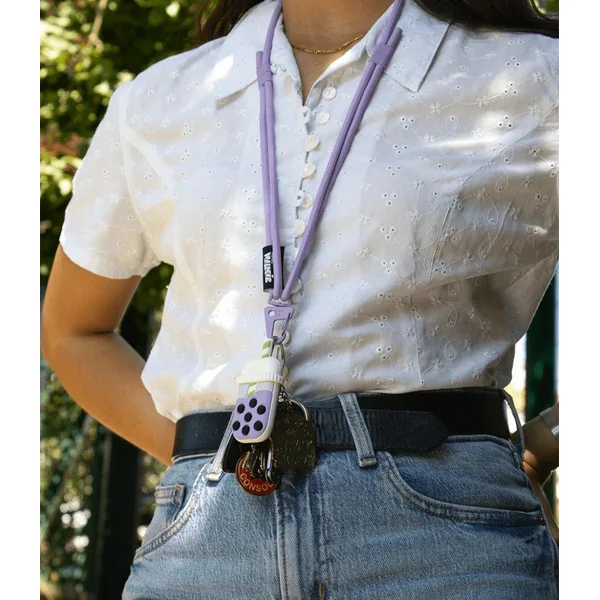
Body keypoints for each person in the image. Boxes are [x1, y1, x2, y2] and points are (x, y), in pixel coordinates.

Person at [41, 0, 559, 597]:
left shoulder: (543, 79)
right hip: (203, 552)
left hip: (445, 541)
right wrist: (224, 456)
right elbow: (74, 332)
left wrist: (542, 445)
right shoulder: (158, 101)